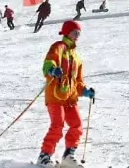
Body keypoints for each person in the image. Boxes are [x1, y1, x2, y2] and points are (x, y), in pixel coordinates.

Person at [37, 21, 94, 166]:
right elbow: (48, 63)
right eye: (75, 32)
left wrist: (85, 91)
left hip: (70, 98)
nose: (77, 36)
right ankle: (44, 156)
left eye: (79, 33)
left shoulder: (76, 57)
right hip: (55, 96)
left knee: (77, 125)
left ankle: (68, 155)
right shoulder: (58, 47)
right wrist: (52, 70)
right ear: (67, 32)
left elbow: (78, 81)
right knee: (57, 125)